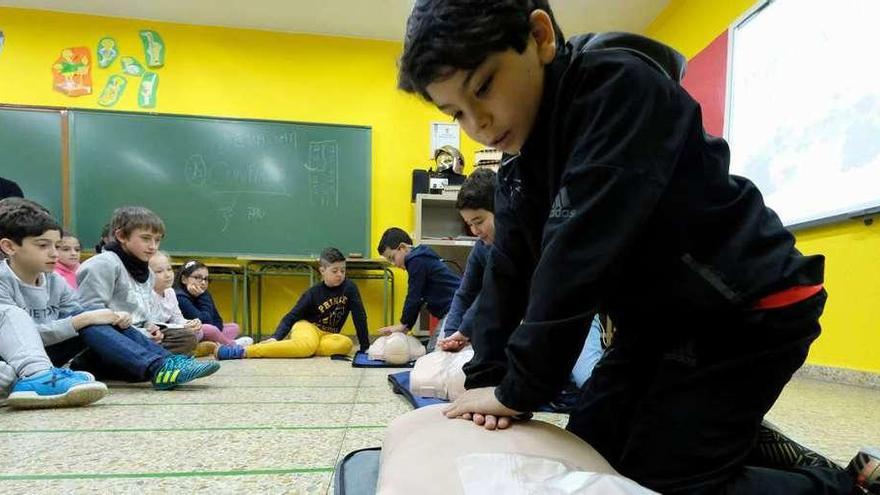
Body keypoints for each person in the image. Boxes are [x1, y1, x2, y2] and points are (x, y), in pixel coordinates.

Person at [397, 1, 877, 494]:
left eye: (484, 88)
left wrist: (519, 389)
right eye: (456, 112)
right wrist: (487, 378)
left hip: (748, 309)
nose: (477, 123)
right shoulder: (524, 165)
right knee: (588, 453)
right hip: (662, 321)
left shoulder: (619, 89)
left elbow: (574, 256)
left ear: (539, 37)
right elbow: (509, 268)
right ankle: (743, 439)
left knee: (658, 482)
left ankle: (849, 487)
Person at [0, 198, 218, 390]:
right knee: (90, 320)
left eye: (56, 245)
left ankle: (165, 362)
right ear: (9, 247)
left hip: (59, 351)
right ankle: (157, 366)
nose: (54, 253)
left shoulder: (54, 281)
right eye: (42, 245)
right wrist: (83, 320)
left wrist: (114, 318)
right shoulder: (4, 281)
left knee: (99, 319)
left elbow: (80, 314)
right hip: (18, 358)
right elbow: (19, 340)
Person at [78, 206, 196, 354]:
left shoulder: (146, 271)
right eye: (146, 238)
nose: (153, 246)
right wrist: (140, 334)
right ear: (121, 236)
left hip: (139, 333)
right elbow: (92, 316)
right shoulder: (103, 264)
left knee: (186, 337)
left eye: (157, 240)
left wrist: (151, 327)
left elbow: (144, 312)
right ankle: (154, 360)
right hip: (114, 333)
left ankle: (144, 358)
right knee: (111, 338)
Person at [215, 247, 369, 360]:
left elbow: (359, 316)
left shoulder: (350, 287)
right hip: (307, 327)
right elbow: (291, 316)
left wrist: (365, 347)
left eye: (343, 270)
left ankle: (295, 347)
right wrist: (276, 337)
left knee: (345, 344)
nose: (340, 274)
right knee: (307, 346)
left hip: (327, 335)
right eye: (335, 271)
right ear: (322, 270)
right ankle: (244, 351)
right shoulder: (313, 293)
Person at [376, 228, 461, 350]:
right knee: (434, 349)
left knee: (435, 351)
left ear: (403, 247)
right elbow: (418, 298)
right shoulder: (420, 258)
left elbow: (413, 296)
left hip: (456, 308)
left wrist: (403, 324)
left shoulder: (416, 261)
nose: (394, 264)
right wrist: (407, 326)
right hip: (456, 307)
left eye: (392, 258)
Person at [174, 260, 249, 347]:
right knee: (209, 329)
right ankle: (231, 345)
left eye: (206, 279)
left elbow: (218, 321)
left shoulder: (203, 294)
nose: (203, 282)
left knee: (234, 327)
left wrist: (203, 295)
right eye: (197, 277)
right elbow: (206, 321)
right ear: (184, 279)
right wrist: (202, 296)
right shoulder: (180, 297)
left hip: (206, 331)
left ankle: (215, 344)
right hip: (189, 335)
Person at [149, 251, 211, 355]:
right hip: (153, 333)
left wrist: (189, 323)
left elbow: (177, 318)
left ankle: (188, 351)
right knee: (189, 337)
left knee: (194, 333)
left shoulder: (170, 292)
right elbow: (152, 323)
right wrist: (182, 327)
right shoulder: (147, 294)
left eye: (169, 269)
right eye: (159, 271)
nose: (167, 275)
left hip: (167, 333)